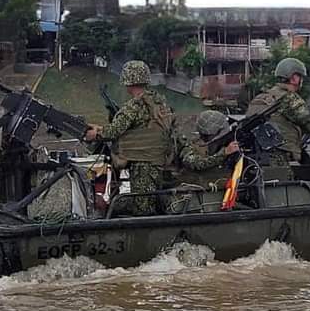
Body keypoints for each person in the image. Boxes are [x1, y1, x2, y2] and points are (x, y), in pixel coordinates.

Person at [83, 60, 175, 215]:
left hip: (142, 163)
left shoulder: (134, 106)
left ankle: (144, 237)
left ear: (128, 82)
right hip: (158, 160)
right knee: (151, 200)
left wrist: (95, 134)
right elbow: (141, 128)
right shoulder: (158, 101)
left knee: (143, 208)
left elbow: (114, 131)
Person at [244, 57, 310, 166]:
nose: (301, 80)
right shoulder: (289, 98)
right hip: (280, 158)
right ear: (294, 78)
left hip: (254, 159)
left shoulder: (261, 98)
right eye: (300, 76)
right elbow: (308, 121)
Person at [176, 110, 240, 189]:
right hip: (196, 187)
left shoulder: (222, 140)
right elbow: (197, 164)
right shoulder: (190, 144)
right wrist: (224, 152)